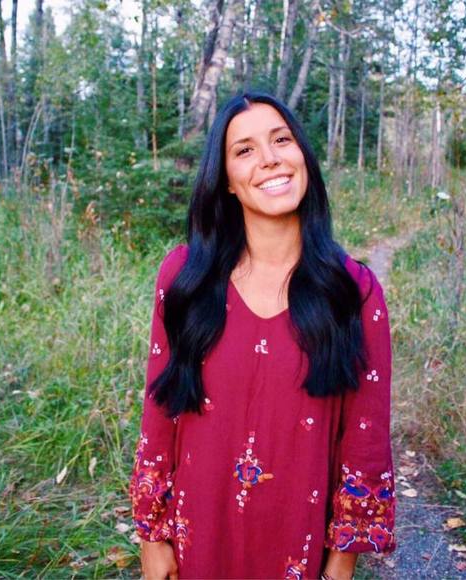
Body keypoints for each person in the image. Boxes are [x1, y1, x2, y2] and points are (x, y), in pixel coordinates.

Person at [129, 92, 396, 580]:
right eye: (245, 150)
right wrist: (152, 535)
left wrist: (340, 564)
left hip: (299, 547)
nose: (270, 158)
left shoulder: (352, 291)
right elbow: (160, 412)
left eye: (281, 140)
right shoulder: (186, 277)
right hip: (196, 543)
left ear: (303, 157)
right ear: (226, 180)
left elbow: (366, 439)